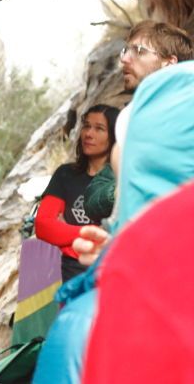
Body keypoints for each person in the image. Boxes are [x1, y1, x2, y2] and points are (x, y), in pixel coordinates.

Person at [75, 20, 193, 264]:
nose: (125, 59)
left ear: (169, 63)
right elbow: (94, 197)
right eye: (125, 51)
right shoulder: (130, 119)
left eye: (139, 51)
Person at [34, 104, 119, 282]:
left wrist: (65, 233)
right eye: (86, 126)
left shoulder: (119, 180)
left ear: (113, 136)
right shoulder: (65, 174)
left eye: (99, 128)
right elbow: (43, 225)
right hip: (66, 274)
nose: (89, 133)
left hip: (109, 274)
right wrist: (96, 232)